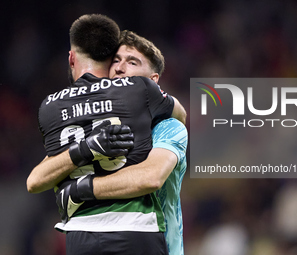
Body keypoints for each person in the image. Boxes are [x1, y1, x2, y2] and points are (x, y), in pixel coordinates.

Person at [27, 14, 186, 255]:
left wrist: (81, 188)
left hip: (155, 239)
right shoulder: (95, 122)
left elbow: (150, 178)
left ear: (155, 82)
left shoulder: (169, 127)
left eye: (132, 62)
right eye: (116, 60)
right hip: (85, 233)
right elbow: (35, 179)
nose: (121, 68)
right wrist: (85, 148)